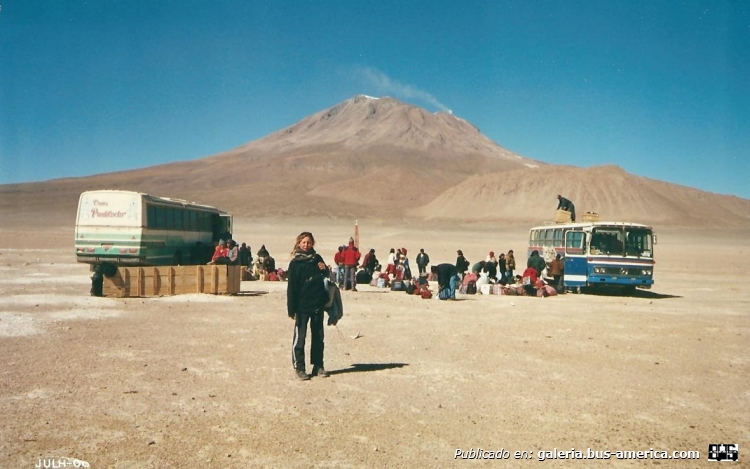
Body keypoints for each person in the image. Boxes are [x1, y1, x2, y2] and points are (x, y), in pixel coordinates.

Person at [287, 231, 331, 381]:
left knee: (318, 337)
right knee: (300, 337)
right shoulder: (295, 263)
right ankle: (299, 367)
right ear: (299, 243)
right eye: (304, 242)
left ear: (313, 244)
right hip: (302, 306)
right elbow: (292, 287)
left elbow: (325, 276)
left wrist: (324, 269)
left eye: (309, 242)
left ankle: (318, 365)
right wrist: (291, 308)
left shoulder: (316, 258)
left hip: (317, 303)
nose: (306, 245)